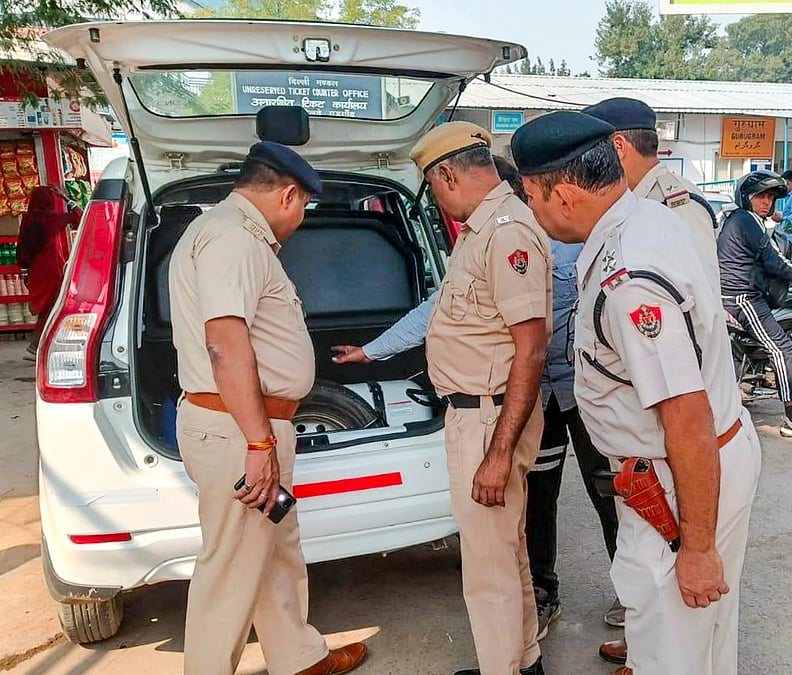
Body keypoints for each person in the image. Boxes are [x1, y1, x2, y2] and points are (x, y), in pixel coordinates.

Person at [330, 156, 624, 641]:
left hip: (584, 394)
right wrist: (373, 350)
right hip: (531, 399)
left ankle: (631, 595)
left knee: (608, 492)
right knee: (534, 503)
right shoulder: (483, 244)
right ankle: (542, 596)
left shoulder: (571, 242)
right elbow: (438, 310)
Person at [512, 110, 762, 675]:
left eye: (532, 194)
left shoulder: (629, 277)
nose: (532, 209)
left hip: (680, 476)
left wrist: (696, 548)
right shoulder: (644, 216)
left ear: (566, 191)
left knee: (670, 642)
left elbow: (686, 415)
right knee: (702, 636)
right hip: (686, 466)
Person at [168, 141, 368, 675]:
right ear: (287, 194)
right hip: (238, 430)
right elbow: (225, 343)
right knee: (230, 570)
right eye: (304, 207)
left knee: (275, 546)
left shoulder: (233, 234)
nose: (300, 220)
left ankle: (299, 657)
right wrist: (259, 442)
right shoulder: (233, 239)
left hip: (247, 424)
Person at [413, 122, 551, 675]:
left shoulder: (505, 232)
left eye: (434, 187)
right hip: (483, 412)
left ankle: (503, 668)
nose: (439, 198)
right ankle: (522, 661)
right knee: (507, 550)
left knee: (488, 566)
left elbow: (532, 349)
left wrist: (496, 452)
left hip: (490, 417)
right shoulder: (484, 228)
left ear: (446, 173)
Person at [717, 170, 792, 438]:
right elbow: (774, 259)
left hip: (736, 293)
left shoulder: (740, 219)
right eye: (761, 197)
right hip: (741, 298)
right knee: (782, 348)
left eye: (770, 198)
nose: (767, 202)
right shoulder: (747, 220)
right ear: (747, 198)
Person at [581, 97, 719, 290]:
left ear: (618, 147)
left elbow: (702, 291)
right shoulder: (630, 200)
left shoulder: (676, 203)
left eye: (594, 152)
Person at [16, 185, 78, 360]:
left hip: (36, 274)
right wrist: (67, 199)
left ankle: (40, 345)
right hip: (52, 273)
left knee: (48, 309)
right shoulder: (52, 220)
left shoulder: (28, 220)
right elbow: (80, 217)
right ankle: (36, 346)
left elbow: (23, 252)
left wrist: (26, 274)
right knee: (52, 307)